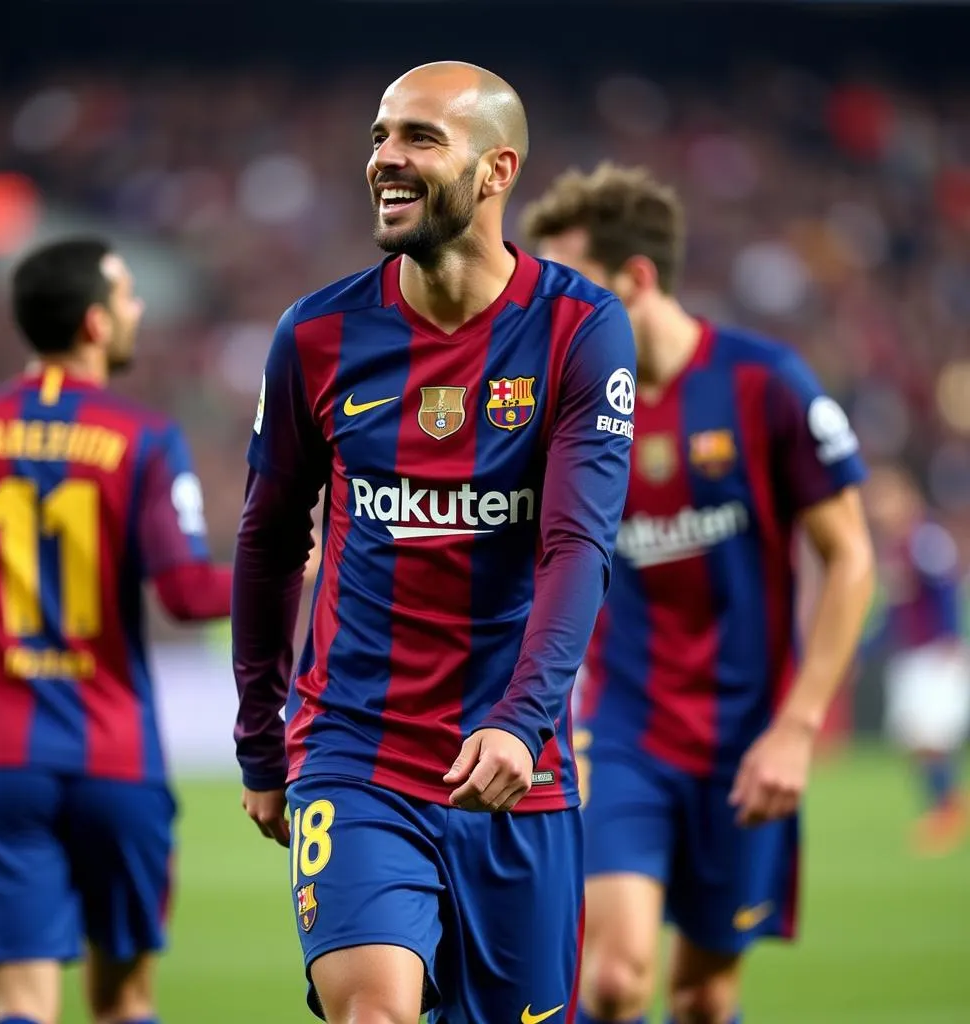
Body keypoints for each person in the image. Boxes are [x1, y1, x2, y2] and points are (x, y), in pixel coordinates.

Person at [232, 62, 636, 1024]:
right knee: (373, 1011)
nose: (386, 160)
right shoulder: (317, 333)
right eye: (379, 136)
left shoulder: (580, 327)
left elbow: (577, 548)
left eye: (419, 138)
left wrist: (522, 720)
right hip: (354, 750)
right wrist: (260, 741)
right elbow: (266, 541)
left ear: (497, 170)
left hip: (515, 766)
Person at [522, 164, 875, 1024]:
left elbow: (852, 557)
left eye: (572, 291)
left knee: (705, 999)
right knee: (611, 982)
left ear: (637, 280)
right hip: (625, 730)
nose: (551, 317)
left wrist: (797, 728)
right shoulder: (566, 411)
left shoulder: (767, 384)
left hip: (746, 740)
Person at [0, 237, 233, 1024]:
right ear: (95, 325)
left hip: (0, 756)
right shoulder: (142, 437)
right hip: (116, 757)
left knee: (20, 1005)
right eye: (127, 295)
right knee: (123, 1002)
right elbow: (186, 593)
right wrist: (290, 567)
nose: (138, 308)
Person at [863, 463, 969, 857]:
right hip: (909, 654)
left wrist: (951, 640)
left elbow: (944, 590)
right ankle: (945, 805)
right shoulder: (896, 549)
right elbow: (894, 614)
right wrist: (865, 650)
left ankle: (946, 810)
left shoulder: (926, 539)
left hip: (934, 652)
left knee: (932, 736)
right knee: (916, 740)